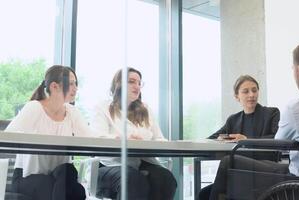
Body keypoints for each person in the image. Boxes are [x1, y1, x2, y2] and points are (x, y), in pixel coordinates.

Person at [209, 40, 299, 200]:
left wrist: (245, 141)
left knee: (228, 163)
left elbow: (276, 146)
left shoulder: (296, 108)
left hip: (296, 188)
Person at [5, 65, 92, 200]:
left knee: (68, 171)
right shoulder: (34, 108)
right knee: (71, 190)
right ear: (54, 86)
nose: (75, 88)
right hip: (26, 177)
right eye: (71, 83)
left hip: (59, 177)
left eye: (76, 83)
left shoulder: (72, 112)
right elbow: (7, 138)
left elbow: (91, 138)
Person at [91, 67, 177, 200]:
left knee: (165, 178)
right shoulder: (103, 108)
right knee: (132, 179)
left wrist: (149, 143)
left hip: (142, 162)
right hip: (108, 164)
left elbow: (159, 138)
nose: (136, 86)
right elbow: (97, 137)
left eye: (139, 83)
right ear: (118, 84)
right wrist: (123, 139)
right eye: (131, 81)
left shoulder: (145, 110)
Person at [199, 75, 280, 200]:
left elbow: (276, 138)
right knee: (203, 193)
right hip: (239, 173)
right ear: (237, 96)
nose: (251, 95)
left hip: (262, 169)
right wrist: (222, 138)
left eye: (254, 90)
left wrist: (246, 139)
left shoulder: (272, 113)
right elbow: (214, 137)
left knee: (227, 161)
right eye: (245, 91)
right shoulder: (233, 120)